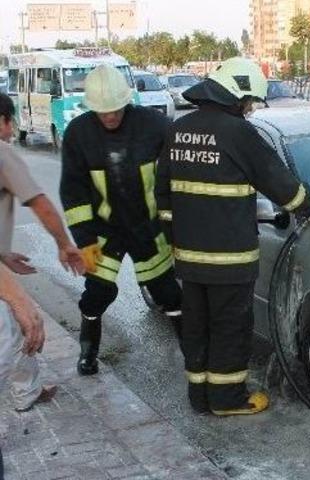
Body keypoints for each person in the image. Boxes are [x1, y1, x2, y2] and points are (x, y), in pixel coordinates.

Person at [155, 57, 310, 416]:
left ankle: (200, 395)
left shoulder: (179, 130)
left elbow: (164, 196)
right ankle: (227, 399)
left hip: (189, 258)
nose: (250, 109)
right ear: (236, 95)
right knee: (230, 327)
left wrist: (174, 237)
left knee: (198, 326)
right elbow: (280, 184)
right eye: (249, 101)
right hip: (229, 258)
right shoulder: (239, 133)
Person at [59, 64, 183, 376]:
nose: (110, 116)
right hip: (103, 231)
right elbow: (73, 192)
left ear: (126, 101)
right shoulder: (78, 134)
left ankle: (191, 351)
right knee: (96, 295)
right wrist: (84, 241)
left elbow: (178, 169)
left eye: (115, 109)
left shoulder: (154, 125)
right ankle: (88, 351)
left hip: (148, 227)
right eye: (103, 111)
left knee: (168, 293)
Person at [0, 92, 85, 412]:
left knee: (20, 327)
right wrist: (64, 244)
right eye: (10, 124)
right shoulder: (2, 153)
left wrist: (4, 257)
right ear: (4, 120)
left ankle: (26, 392)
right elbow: (40, 204)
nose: (11, 133)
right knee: (12, 333)